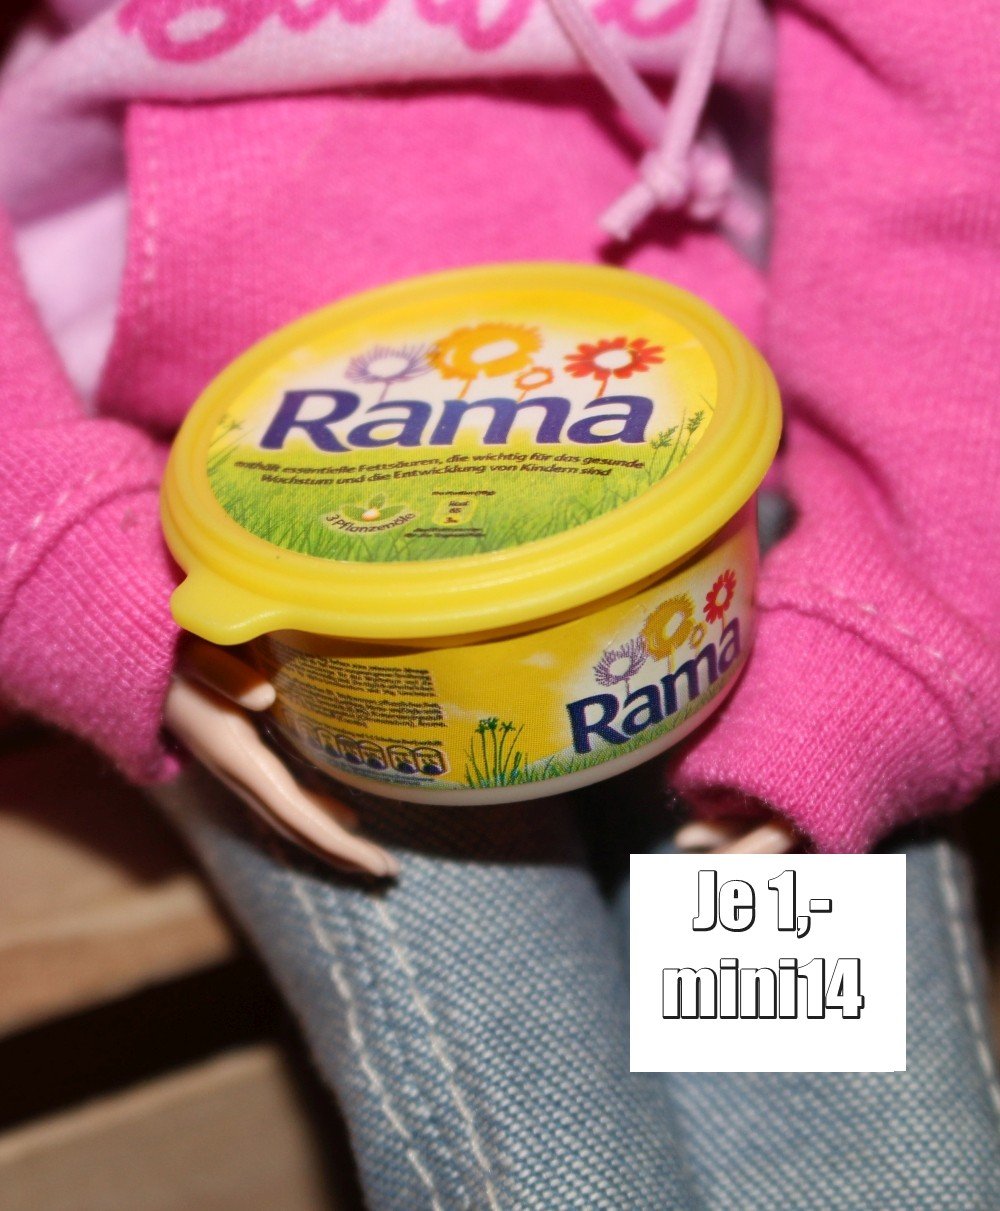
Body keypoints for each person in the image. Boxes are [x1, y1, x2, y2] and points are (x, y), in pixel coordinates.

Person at [1, 0, 998, 1205]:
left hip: (715, 496)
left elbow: (948, 107)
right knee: (539, 1147)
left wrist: (901, 598)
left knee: (851, 1134)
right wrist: (74, 556)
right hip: (274, 559)